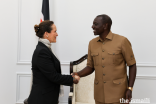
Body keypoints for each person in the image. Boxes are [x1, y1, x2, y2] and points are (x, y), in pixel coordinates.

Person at [72, 14, 137, 104]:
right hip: (99, 95)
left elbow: (132, 65)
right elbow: (90, 67)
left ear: (105, 25)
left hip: (118, 94)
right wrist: (78, 74)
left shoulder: (122, 41)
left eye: (96, 24)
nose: (92, 26)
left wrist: (129, 88)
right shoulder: (92, 43)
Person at [28, 20, 80, 104]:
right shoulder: (42, 51)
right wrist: (72, 79)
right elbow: (53, 76)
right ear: (46, 34)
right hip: (42, 99)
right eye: (55, 31)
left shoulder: (45, 48)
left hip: (47, 97)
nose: (57, 34)